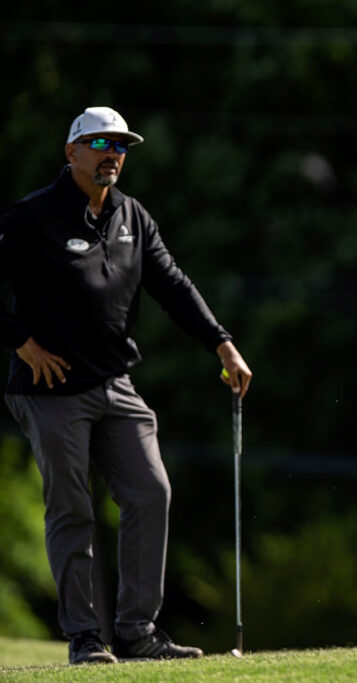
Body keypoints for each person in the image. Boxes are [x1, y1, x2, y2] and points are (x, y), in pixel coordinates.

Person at [0, 106, 253, 664]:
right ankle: (85, 638)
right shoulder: (32, 217)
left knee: (150, 491)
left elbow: (173, 285)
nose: (112, 154)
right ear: (72, 152)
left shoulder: (133, 217)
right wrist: (22, 343)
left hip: (114, 382)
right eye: (100, 144)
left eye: (120, 146)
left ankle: (137, 632)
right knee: (73, 509)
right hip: (51, 388)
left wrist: (222, 343)